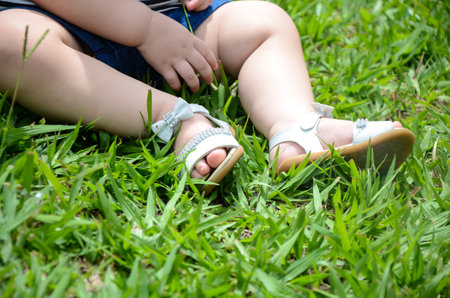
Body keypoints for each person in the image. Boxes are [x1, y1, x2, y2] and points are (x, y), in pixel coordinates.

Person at [0, 0, 414, 194]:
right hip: (66, 28)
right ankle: (177, 119)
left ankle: (295, 128)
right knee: (10, 42)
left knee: (262, 22)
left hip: (178, 22)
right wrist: (143, 29)